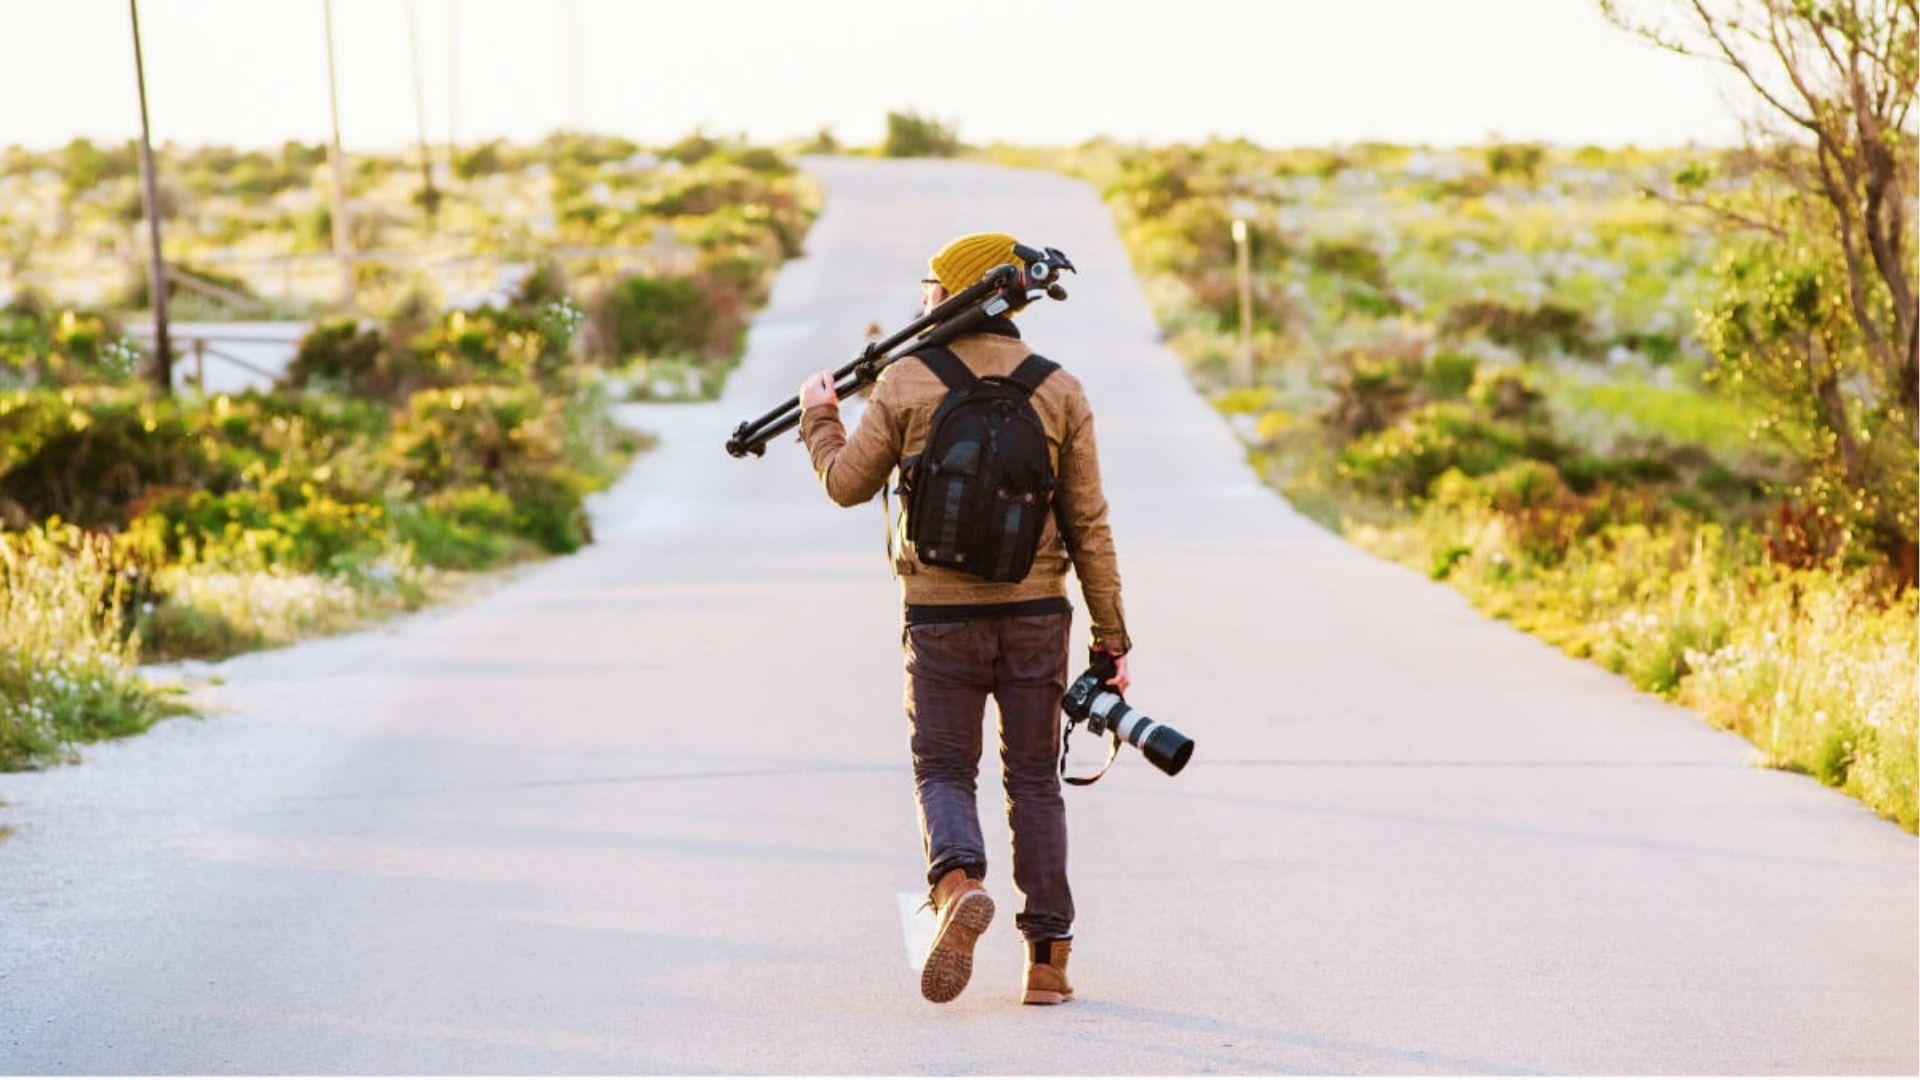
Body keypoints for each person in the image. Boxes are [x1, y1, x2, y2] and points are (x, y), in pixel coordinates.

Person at [795, 232, 1131, 1006]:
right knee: (1033, 781)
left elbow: (846, 484)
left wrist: (821, 418)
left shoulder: (907, 380)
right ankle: (1047, 960)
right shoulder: (1060, 388)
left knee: (945, 769)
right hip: (1038, 613)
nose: (923, 299)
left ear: (953, 294)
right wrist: (1111, 639)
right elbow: (1090, 524)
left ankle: (955, 884)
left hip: (939, 616)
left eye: (930, 287)